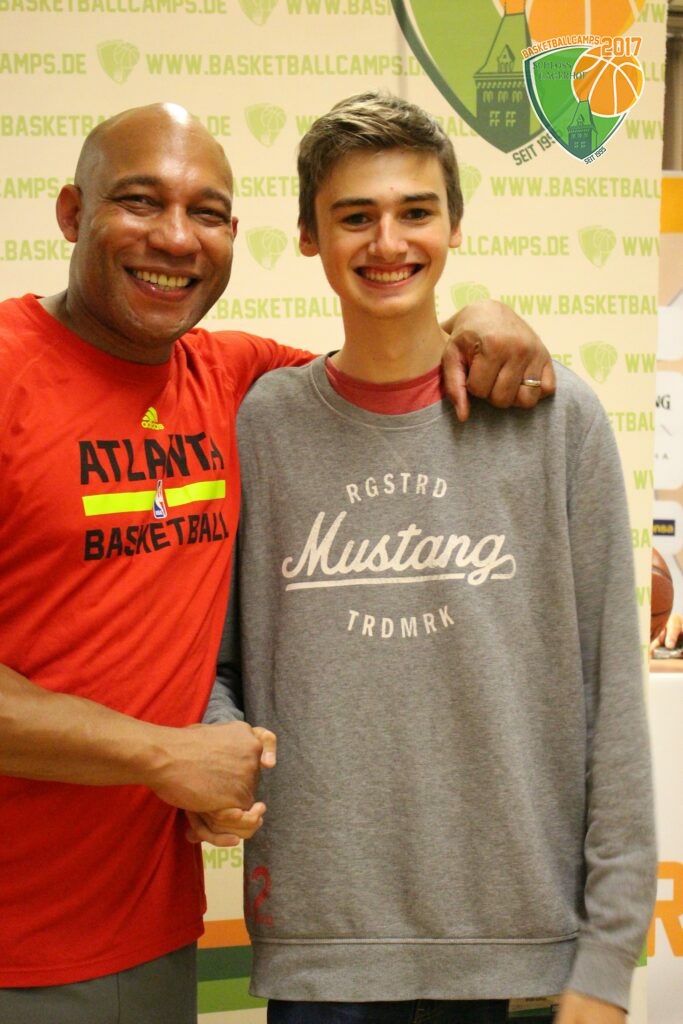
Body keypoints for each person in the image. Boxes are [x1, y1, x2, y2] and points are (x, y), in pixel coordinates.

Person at [0, 101, 554, 1024]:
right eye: (140, 201)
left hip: (149, 929)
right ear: (70, 213)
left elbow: (391, 364)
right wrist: (159, 753)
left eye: (208, 213)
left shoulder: (234, 380)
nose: (176, 237)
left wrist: (480, 317)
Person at [207, 92, 657, 1024]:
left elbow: (612, 693)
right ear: (307, 236)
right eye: (354, 216)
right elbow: (217, 663)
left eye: (414, 211)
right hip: (323, 943)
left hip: (517, 942)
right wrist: (222, 745)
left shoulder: (553, 417)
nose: (388, 242)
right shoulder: (263, 425)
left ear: (454, 225)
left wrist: (610, 953)